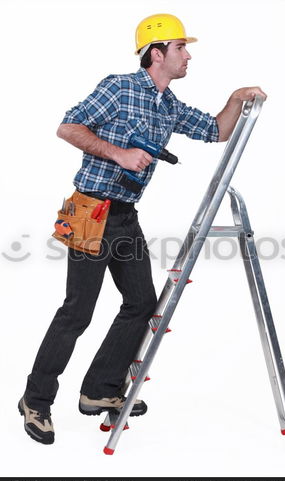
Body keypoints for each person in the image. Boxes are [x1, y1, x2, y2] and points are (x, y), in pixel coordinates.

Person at [19, 13, 267, 445]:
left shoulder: (168, 104)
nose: (188, 56)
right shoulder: (119, 88)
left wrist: (236, 97)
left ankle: (99, 391)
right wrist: (119, 153)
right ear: (157, 53)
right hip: (90, 210)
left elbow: (217, 130)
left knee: (141, 303)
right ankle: (35, 401)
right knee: (77, 312)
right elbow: (68, 126)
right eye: (181, 48)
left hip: (125, 216)